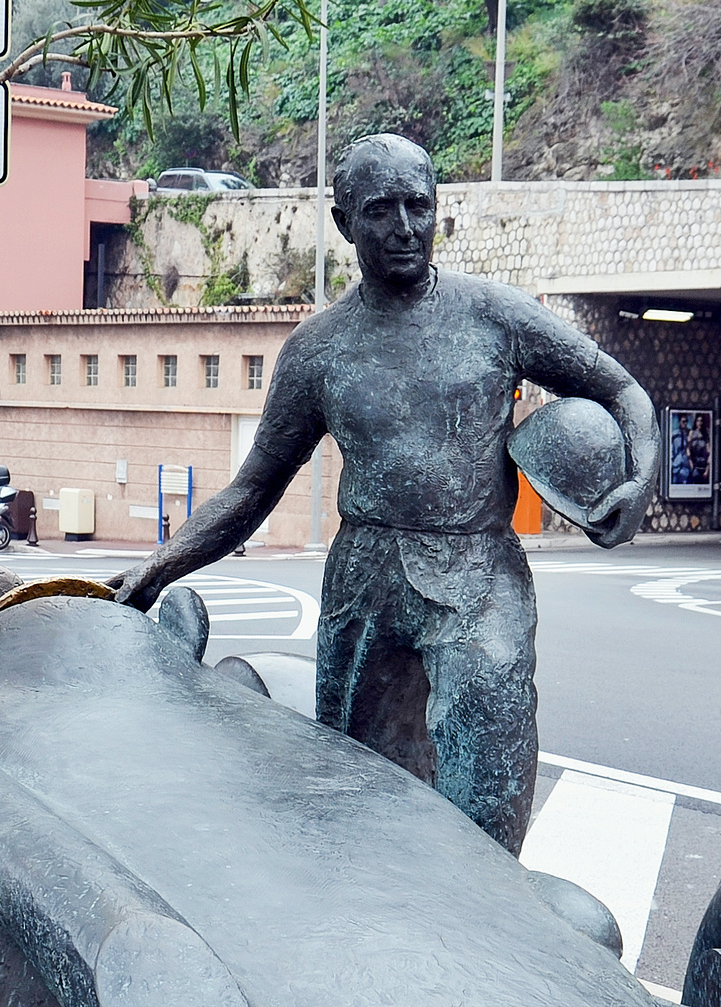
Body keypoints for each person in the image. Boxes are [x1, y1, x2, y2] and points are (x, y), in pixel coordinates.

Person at [114, 133, 660, 852]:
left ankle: (494, 934)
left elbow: (621, 390)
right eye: (380, 210)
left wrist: (638, 478)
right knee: (357, 801)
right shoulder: (318, 350)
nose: (404, 226)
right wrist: (160, 567)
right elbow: (253, 488)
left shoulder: (496, 318)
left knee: (488, 784)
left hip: (478, 574)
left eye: (418, 206)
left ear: (439, 212)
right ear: (343, 223)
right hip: (366, 578)